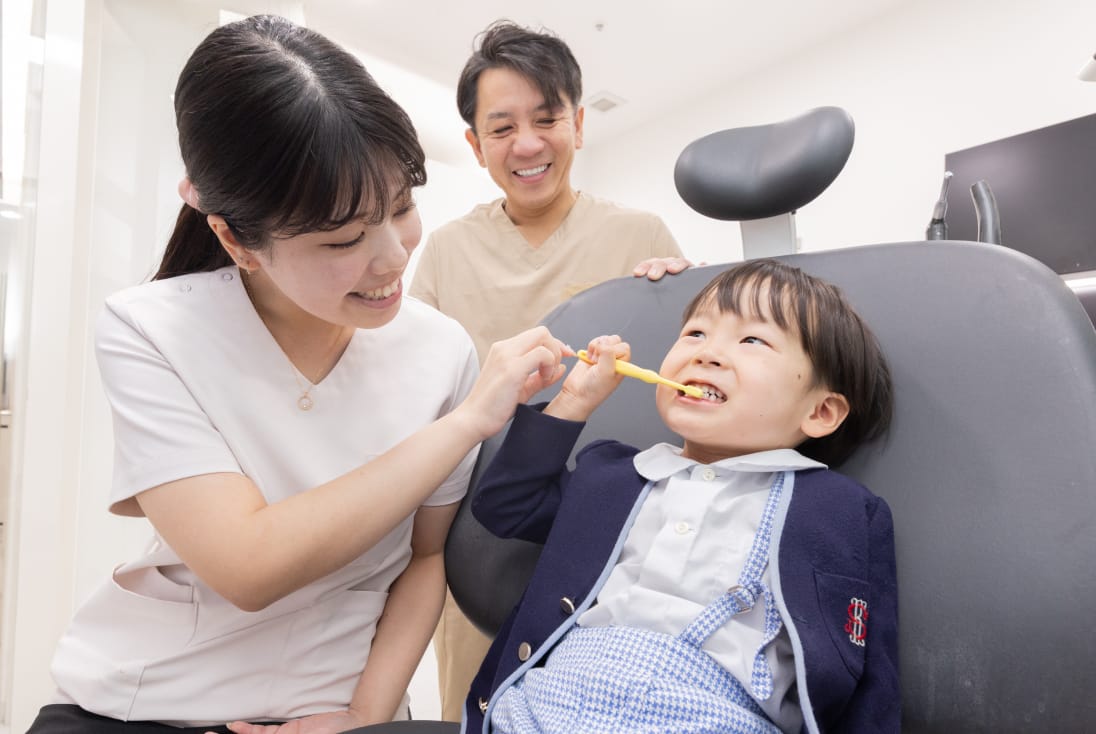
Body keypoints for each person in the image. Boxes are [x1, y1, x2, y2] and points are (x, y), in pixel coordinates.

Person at [25, 15, 571, 734]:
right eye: (344, 239)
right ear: (234, 238)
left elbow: (425, 559)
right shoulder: (150, 328)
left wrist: (361, 718)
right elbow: (248, 565)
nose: (392, 256)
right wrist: (468, 422)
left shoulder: (438, 349)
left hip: (339, 710)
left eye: (402, 207)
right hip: (149, 702)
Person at [464, 259, 900, 733]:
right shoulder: (611, 474)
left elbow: (871, 675)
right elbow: (505, 505)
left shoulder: (841, 510)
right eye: (695, 333)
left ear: (820, 412)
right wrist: (574, 399)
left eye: (752, 340)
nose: (706, 354)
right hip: (554, 703)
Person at [408, 20, 691, 718]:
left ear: (579, 124)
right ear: (474, 146)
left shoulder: (640, 237)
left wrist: (679, 295)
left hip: (611, 530)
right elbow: (413, 395)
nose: (528, 144)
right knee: (480, 704)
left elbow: (693, 381)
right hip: (481, 529)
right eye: (501, 127)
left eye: (547, 118)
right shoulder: (446, 251)